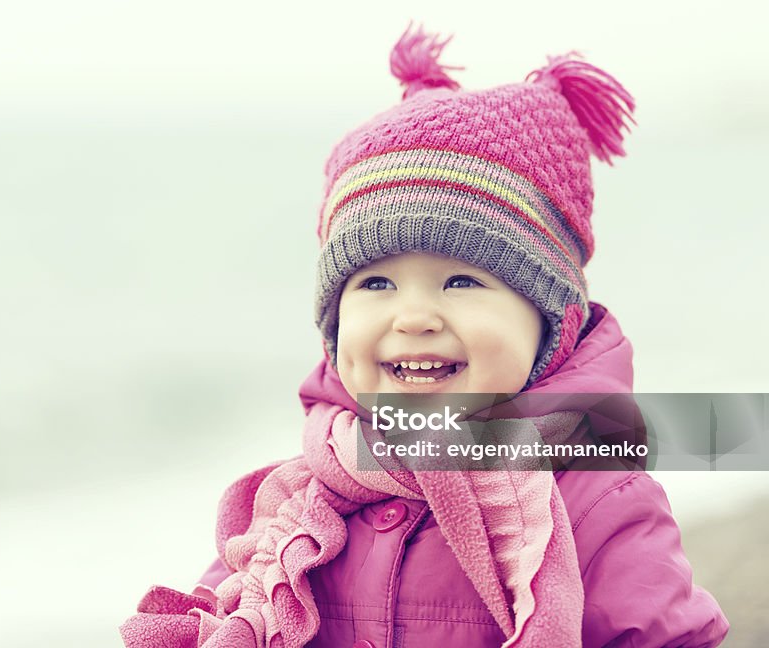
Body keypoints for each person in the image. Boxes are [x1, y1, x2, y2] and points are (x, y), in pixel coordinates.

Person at [121, 24, 729, 648]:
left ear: (550, 322)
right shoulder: (307, 495)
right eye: (376, 285)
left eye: (462, 282)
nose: (413, 317)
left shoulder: (597, 495)